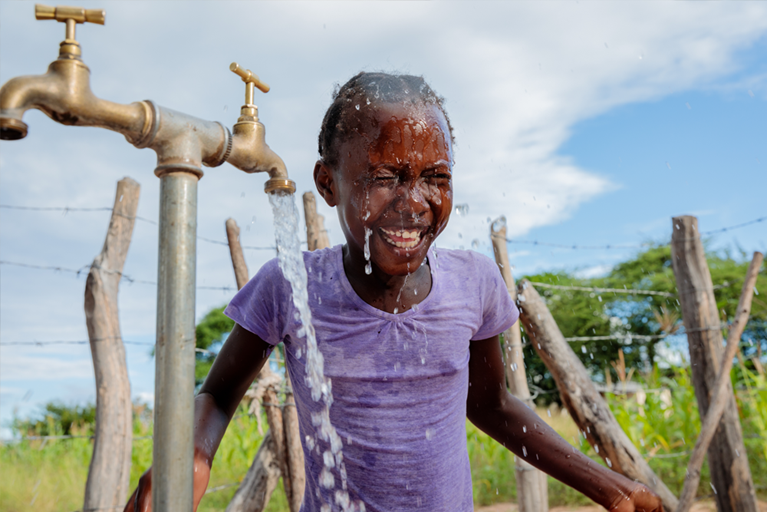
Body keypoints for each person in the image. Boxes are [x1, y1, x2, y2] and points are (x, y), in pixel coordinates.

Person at [125, 72, 663, 512]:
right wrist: (190, 455)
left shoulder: (474, 282)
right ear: (328, 182)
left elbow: (493, 404)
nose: (414, 201)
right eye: (385, 176)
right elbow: (217, 395)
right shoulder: (290, 285)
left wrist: (608, 486)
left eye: (436, 177)